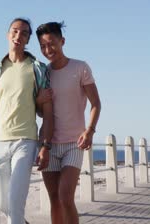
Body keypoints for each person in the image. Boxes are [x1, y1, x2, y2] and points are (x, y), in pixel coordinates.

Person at [0, 17, 53, 224]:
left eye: (23, 33)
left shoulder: (38, 68)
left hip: (25, 141)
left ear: (28, 39)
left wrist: (45, 145)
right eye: (14, 31)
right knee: (1, 203)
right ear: (7, 34)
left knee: (15, 203)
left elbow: (46, 111)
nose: (18, 36)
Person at [35, 21, 101, 224]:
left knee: (65, 196)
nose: (48, 50)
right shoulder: (43, 73)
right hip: (49, 144)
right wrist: (38, 100)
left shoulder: (80, 67)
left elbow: (96, 103)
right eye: (43, 46)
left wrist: (89, 131)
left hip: (74, 143)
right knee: (54, 199)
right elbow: (40, 112)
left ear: (62, 41)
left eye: (51, 43)